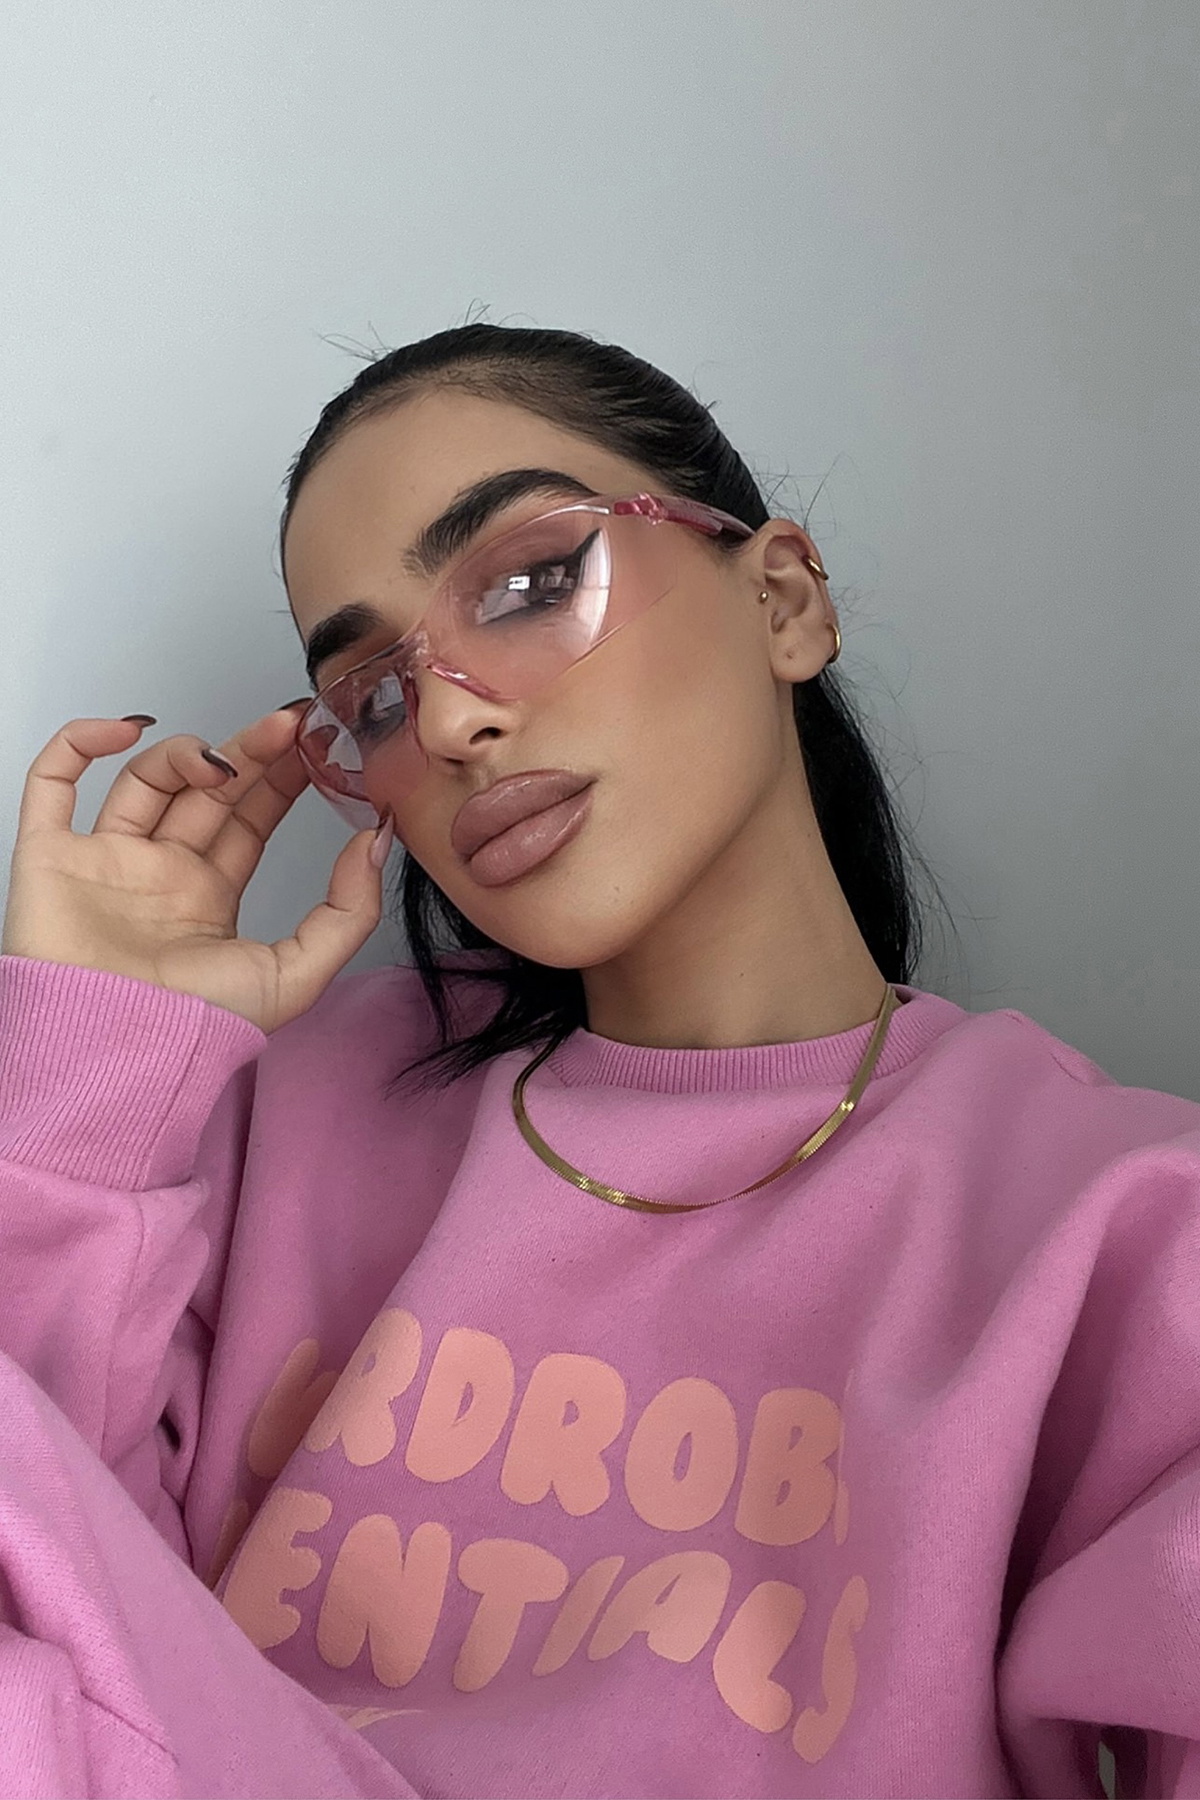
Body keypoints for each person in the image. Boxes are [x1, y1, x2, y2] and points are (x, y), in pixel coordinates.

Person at [0, 322, 1196, 1800]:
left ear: (783, 601)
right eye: (375, 696)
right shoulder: (293, 1106)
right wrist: (91, 1077)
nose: (450, 718)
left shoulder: (1117, 1224)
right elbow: (52, 1576)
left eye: (529, 582)